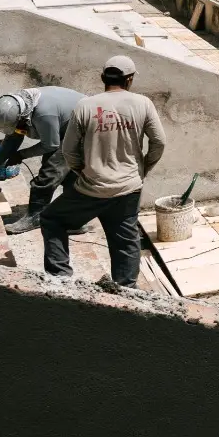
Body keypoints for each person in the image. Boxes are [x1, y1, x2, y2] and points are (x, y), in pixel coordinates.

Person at [41, 55, 166, 288]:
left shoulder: (85, 106)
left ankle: (60, 278)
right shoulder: (142, 103)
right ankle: (127, 291)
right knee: (125, 240)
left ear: (102, 78)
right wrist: (143, 169)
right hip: (128, 188)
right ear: (129, 79)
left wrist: (81, 171)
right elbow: (159, 142)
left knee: (52, 219)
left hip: (91, 188)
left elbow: (68, 150)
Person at [0, 85, 83, 234]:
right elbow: (11, 143)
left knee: (49, 172)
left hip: (83, 131)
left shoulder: (43, 114)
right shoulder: (19, 107)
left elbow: (51, 144)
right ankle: (75, 221)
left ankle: (35, 218)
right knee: (69, 176)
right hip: (69, 128)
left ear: (21, 117)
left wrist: (21, 155)